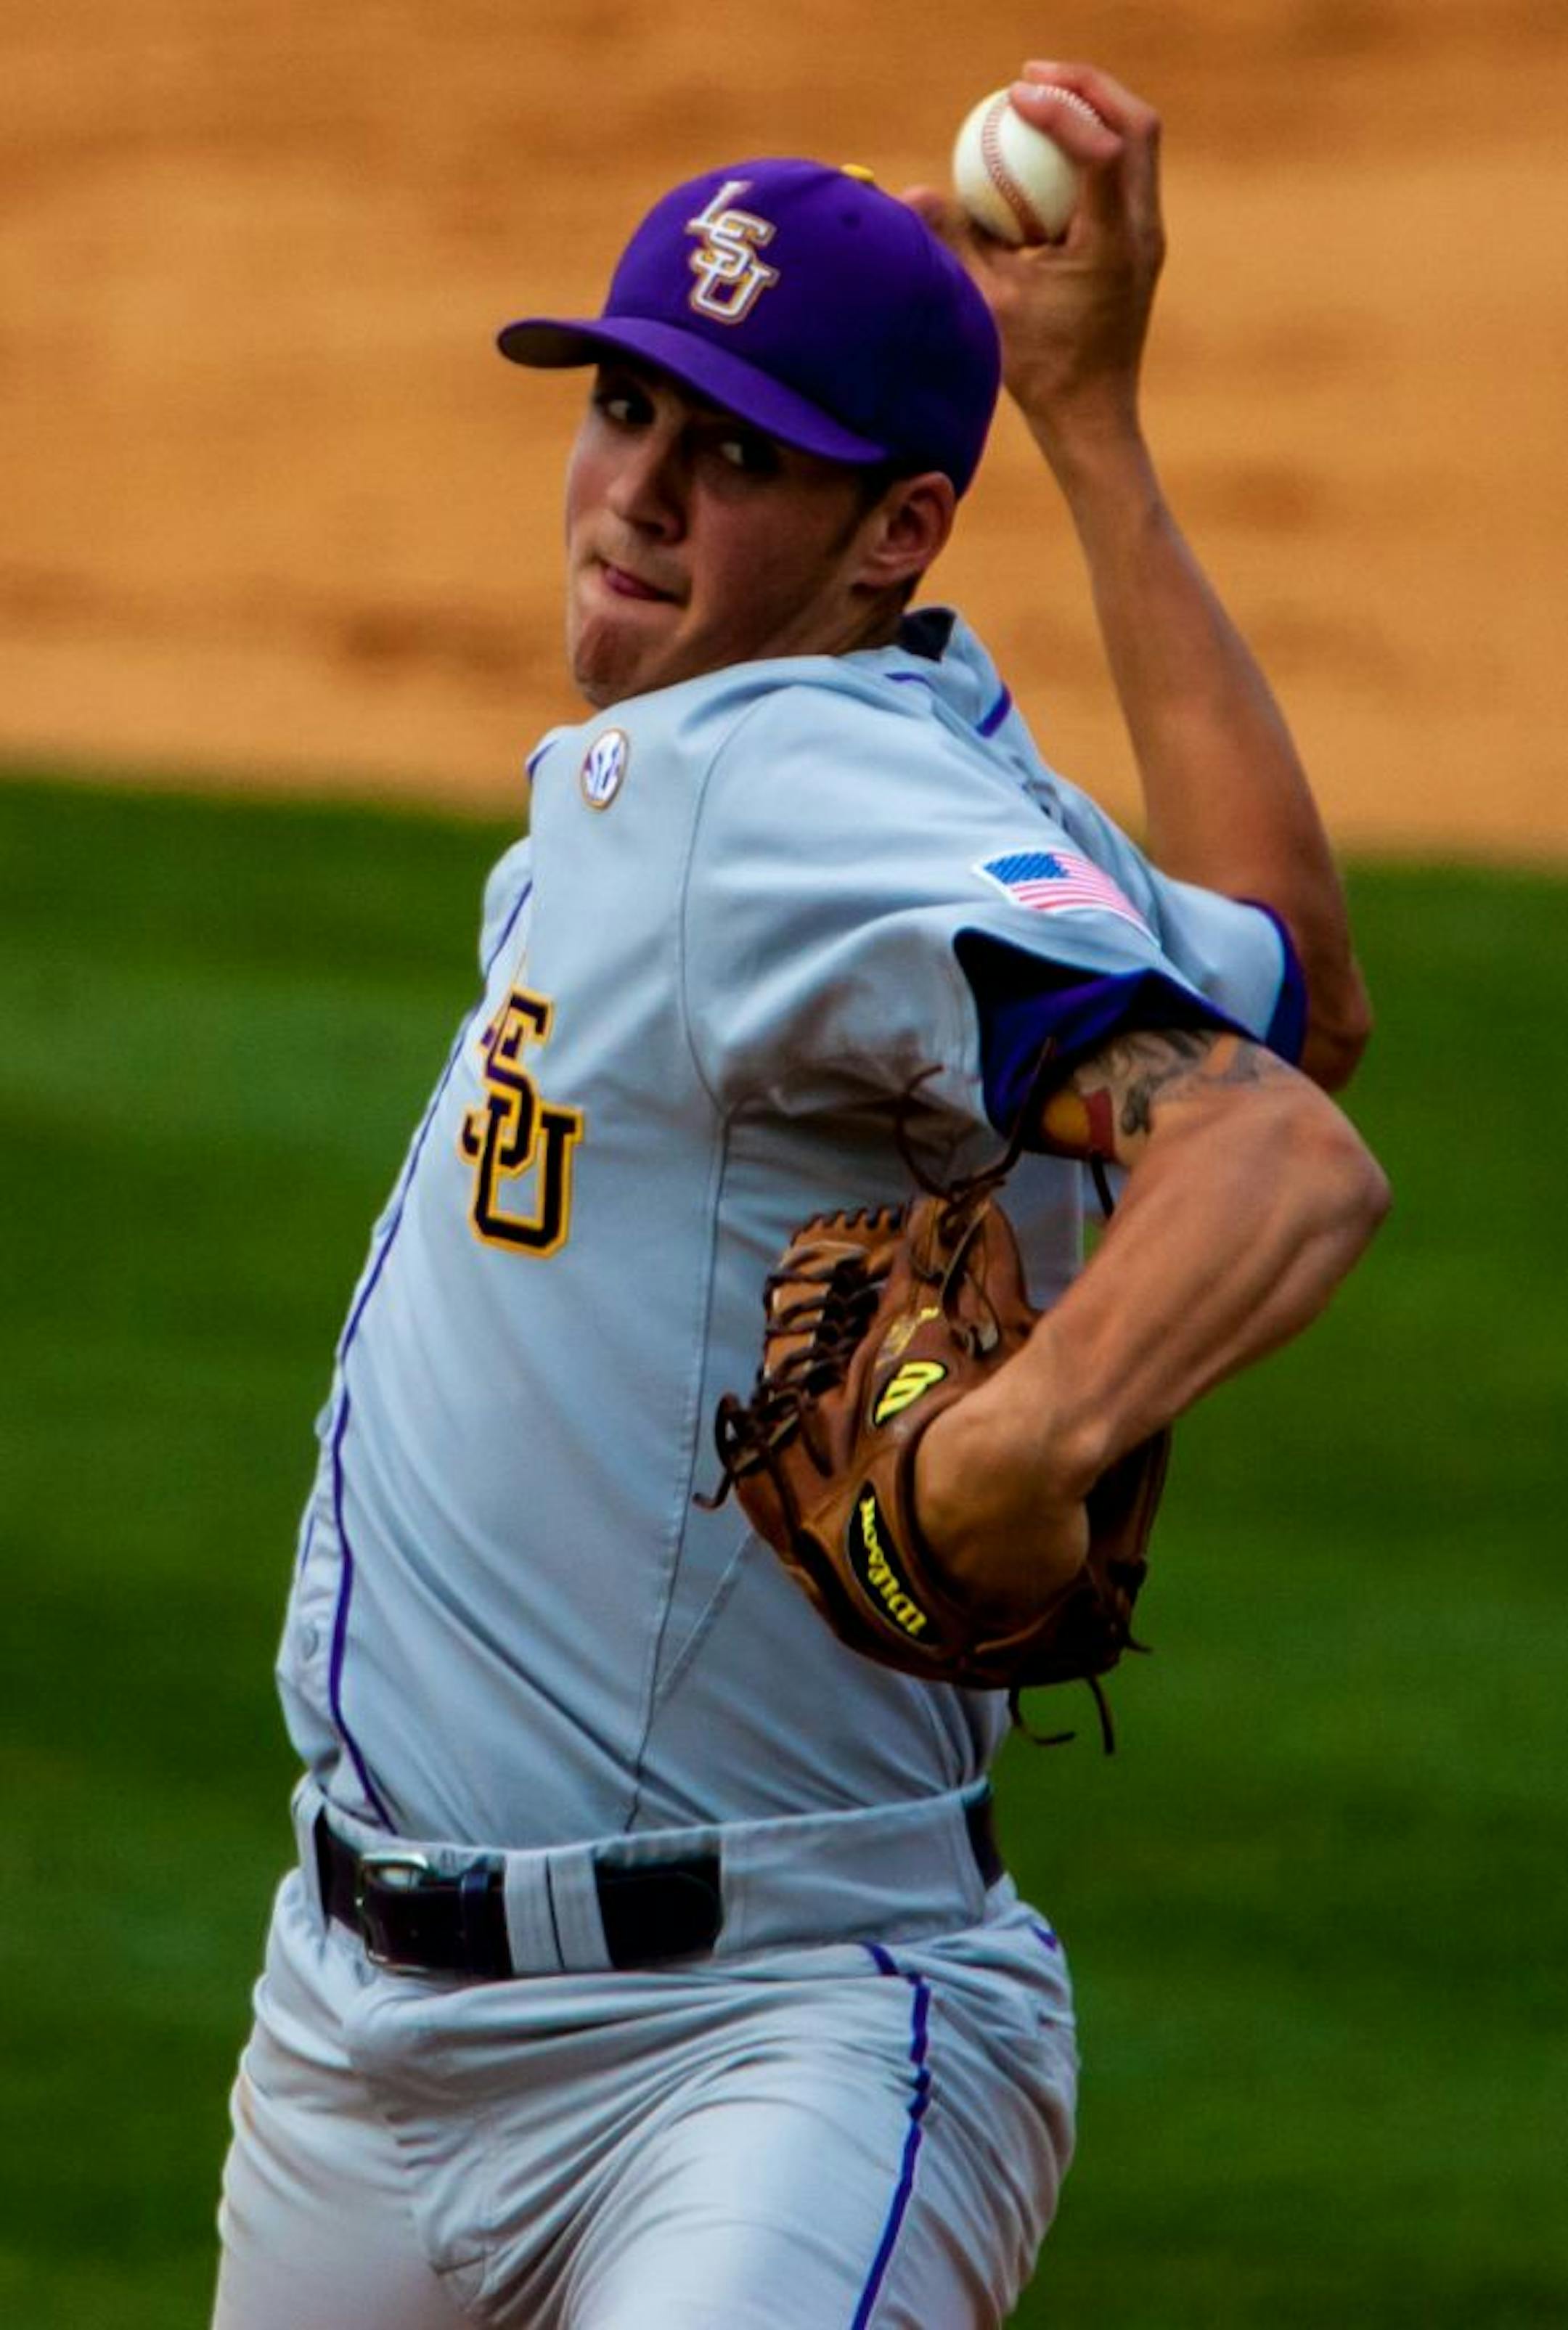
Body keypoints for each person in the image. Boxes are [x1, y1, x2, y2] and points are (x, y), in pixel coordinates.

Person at [211, 61, 1387, 2330]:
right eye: (626, 406)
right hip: (365, 2046)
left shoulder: (780, 793)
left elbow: (1274, 1150)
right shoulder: (930, 781)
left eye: (736, 450)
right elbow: (1302, 984)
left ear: (895, 531)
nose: (639, 493)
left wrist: (1021, 1448)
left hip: (763, 2044)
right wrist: (1102, 426)